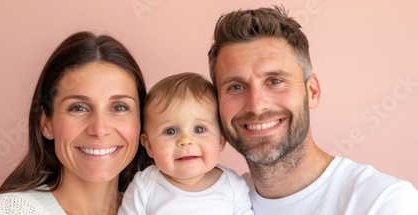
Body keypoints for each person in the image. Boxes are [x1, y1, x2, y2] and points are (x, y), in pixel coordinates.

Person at [207, 5, 418, 214]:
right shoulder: (216, 202)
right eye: (236, 87)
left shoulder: (384, 202)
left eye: (275, 81)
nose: (256, 105)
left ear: (313, 92)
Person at [0, 31, 152, 214]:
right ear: (46, 123)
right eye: (78, 108)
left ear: (141, 120)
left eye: (119, 107)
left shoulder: (161, 208)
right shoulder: (10, 211)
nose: (100, 129)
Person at [118, 72, 254, 215]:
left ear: (221, 139)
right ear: (149, 145)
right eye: (170, 131)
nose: (186, 141)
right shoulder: (144, 186)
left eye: (199, 129)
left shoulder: (233, 186)